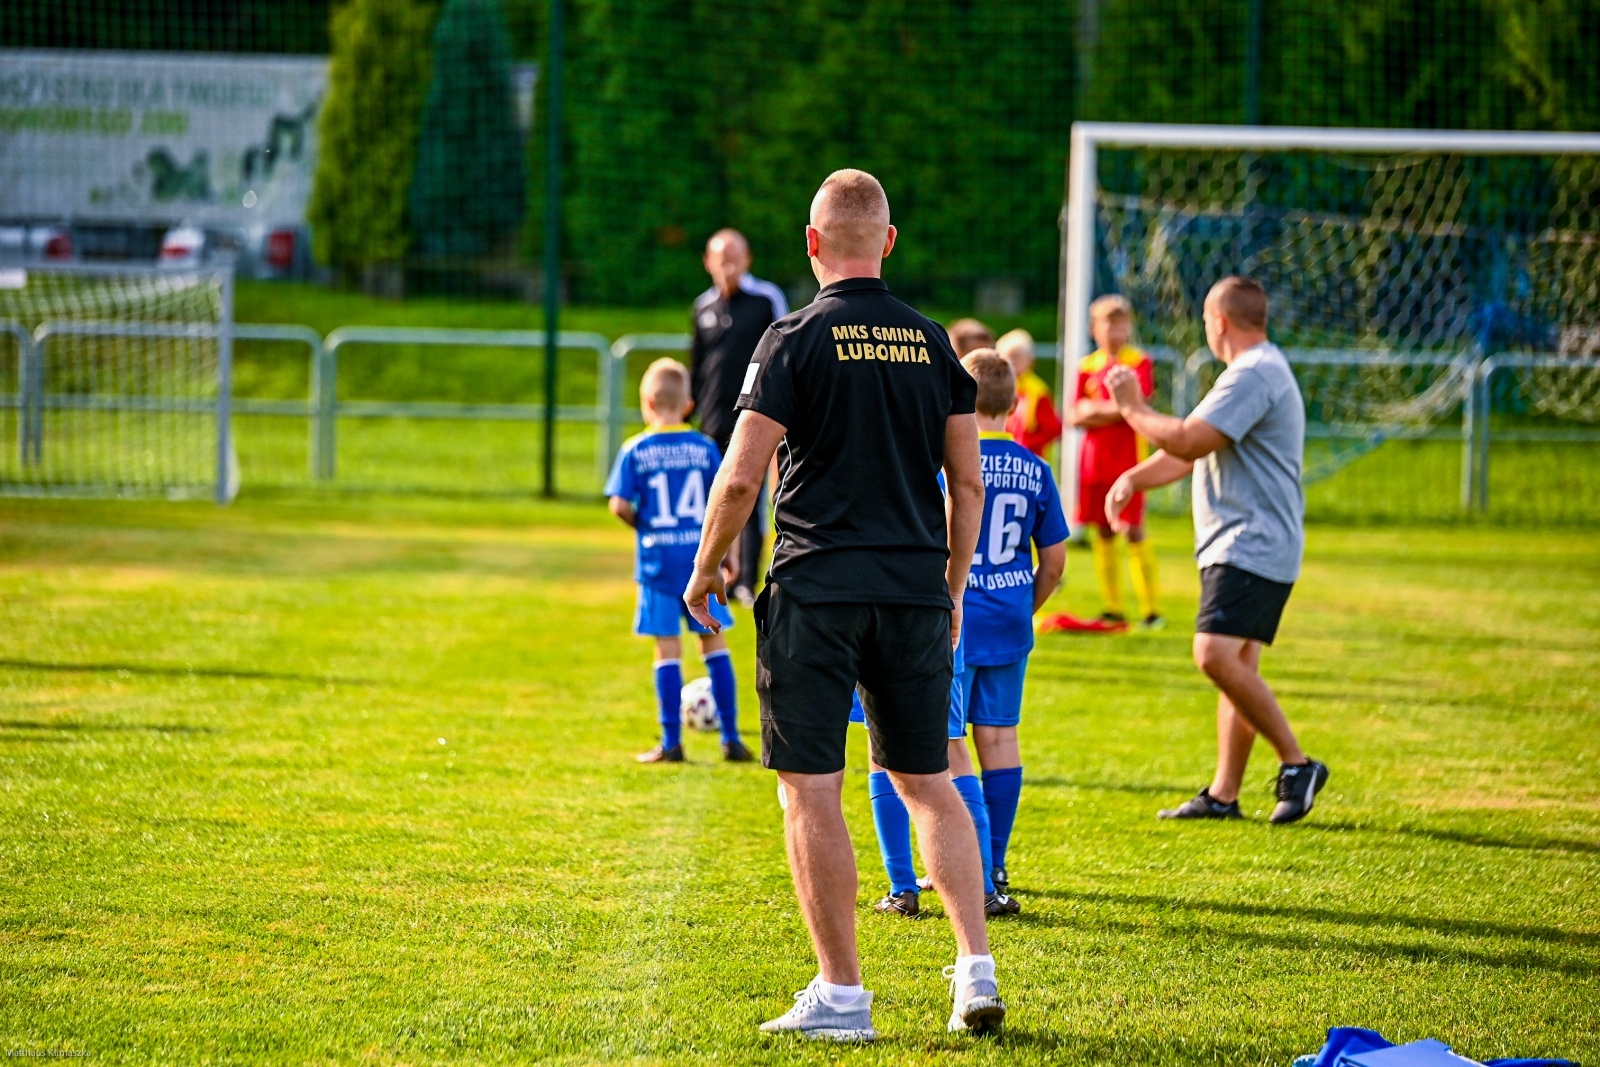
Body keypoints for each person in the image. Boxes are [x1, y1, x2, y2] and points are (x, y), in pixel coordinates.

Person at [685, 169, 1005, 1040]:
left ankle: (844, 996)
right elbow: (967, 486)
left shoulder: (789, 339)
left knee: (812, 789)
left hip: (817, 589)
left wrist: (706, 567)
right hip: (911, 590)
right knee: (930, 782)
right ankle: (975, 968)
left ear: (812, 243)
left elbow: (743, 474)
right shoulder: (935, 343)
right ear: (888, 242)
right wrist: (949, 590)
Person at [1102, 277, 1330, 824]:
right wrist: (1136, 477)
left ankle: (1298, 764)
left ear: (1219, 320)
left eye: (1205, 318)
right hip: (1251, 542)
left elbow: (1182, 438)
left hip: (1251, 541)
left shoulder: (1254, 373)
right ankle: (1224, 795)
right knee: (1237, 666)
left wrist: (1132, 406)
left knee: (1215, 656)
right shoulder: (1252, 372)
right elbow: (1192, 450)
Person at [604, 358, 752, 764]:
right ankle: (731, 738)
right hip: (697, 562)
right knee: (714, 644)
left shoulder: (635, 449)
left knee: (667, 651)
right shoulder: (704, 447)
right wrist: (729, 556)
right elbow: (724, 503)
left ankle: (671, 743)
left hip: (656, 566)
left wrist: (645, 527)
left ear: (647, 403)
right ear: (688, 404)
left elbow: (619, 505)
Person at [690, 229, 789, 607]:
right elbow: (698, 364)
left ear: (748, 260)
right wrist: (691, 402)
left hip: (756, 418)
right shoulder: (702, 307)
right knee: (715, 499)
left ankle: (747, 579)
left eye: (735, 256)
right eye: (720, 257)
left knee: (750, 498)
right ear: (707, 262)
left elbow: (784, 353)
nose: (727, 264)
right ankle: (716, 572)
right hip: (712, 421)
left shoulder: (766, 299)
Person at [1073, 295, 1163, 629]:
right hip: (1093, 463)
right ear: (1094, 329)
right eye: (1108, 323)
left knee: (1134, 530)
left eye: (1121, 323)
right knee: (1103, 533)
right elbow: (1074, 414)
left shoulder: (1139, 362)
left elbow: (1137, 407)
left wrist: (1096, 410)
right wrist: (1117, 408)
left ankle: (1151, 610)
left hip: (1128, 462)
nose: (1115, 330)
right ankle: (1113, 607)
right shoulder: (1086, 367)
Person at [997, 329, 1063, 460]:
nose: (1012, 361)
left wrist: (1028, 444)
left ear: (1030, 360)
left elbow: (1053, 428)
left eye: (1016, 356)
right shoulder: (997, 386)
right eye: (1007, 356)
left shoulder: (1037, 390)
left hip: (1030, 457)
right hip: (1003, 453)